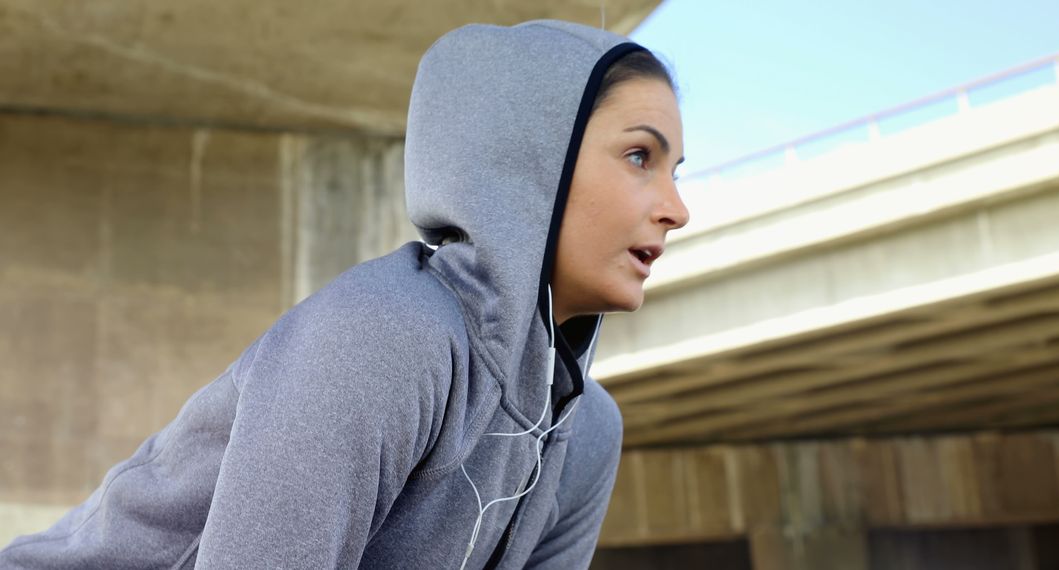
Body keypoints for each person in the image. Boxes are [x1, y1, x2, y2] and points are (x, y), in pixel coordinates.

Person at [0, 18, 687, 569]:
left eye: (675, 170)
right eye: (639, 157)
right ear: (529, 162)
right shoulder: (386, 335)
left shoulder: (587, 430)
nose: (676, 208)